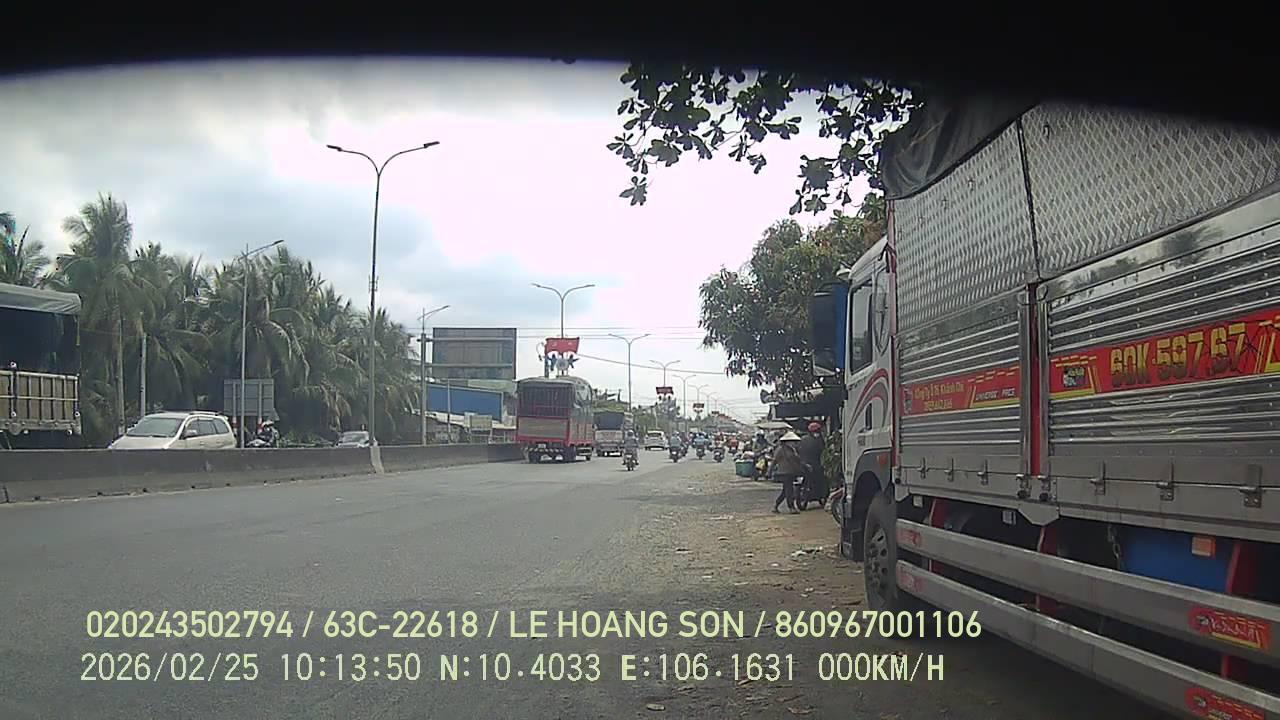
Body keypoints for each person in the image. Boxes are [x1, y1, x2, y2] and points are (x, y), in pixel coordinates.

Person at [771, 431, 805, 513]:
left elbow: (797, 460)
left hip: (792, 472)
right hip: (784, 473)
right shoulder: (780, 449)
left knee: (785, 491)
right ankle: (791, 507)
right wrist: (770, 471)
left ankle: (776, 506)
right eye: (791, 441)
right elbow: (774, 461)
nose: (793, 443)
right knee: (789, 490)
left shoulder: (793, 450)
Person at [798, 421, 827, 507]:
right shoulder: (818, 440)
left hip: (803, 464)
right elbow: (822, 451)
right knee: (821, 480)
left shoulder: (803, 439)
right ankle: (819, 494)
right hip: (815, 465)